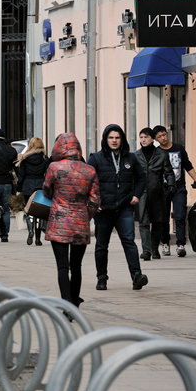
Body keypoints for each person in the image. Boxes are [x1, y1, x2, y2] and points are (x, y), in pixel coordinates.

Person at [86, 125, 147, 291]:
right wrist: (94, 201)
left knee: (129, 241)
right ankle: (102, 278)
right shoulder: (96, 158)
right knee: (101, 245)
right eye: (111, 138)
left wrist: (136, 195)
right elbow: (86, 180)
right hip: (103, 209)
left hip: (124, 207)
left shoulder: (130, 158)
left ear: (122, 139)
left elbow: (142, 178)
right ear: (106, 139)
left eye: (117, 137)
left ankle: (136, 276)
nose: (114, 141)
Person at [43, 133, 101, 306]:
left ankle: (66, 301)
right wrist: (85, 216)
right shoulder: (89, 170)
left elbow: (46, 189)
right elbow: (95, 200)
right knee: (77, 266)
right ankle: (75, 300)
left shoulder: (54, 167)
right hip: (80, 223)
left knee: (62, 266)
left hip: (58, 222)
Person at [152, 124, 196, 258]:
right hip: (163, 189)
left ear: (167, 133)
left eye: (164, 134)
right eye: (159, 137)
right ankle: (165, 243)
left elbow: (187, 165)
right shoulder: (156, 152)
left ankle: (180, 245)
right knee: (163, 218)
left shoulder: (179, 148)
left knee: (180, 215)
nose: (163, 138)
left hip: (179, 188)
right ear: (155, 139)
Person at [133, 127, 171, 261]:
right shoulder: (135, 156)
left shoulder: (161, 155)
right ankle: (146, 250)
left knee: (158, 221)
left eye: (146, 137)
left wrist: (171, 187)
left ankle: (155, 248)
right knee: (143, 222)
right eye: (141, 137)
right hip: (141, 193)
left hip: (157, 193)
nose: (143, 140)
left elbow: (169, 172)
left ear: (152, 139)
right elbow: (132, 175)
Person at [14, 137, 50, 246]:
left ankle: (30, 231)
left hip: (27, 185)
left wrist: (18, 189)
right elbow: (48, 174)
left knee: (29, 210)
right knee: (39, 212)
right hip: (40, 185)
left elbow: (21, 176)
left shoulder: (25, 158)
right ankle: (38, 239)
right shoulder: (44, 158)